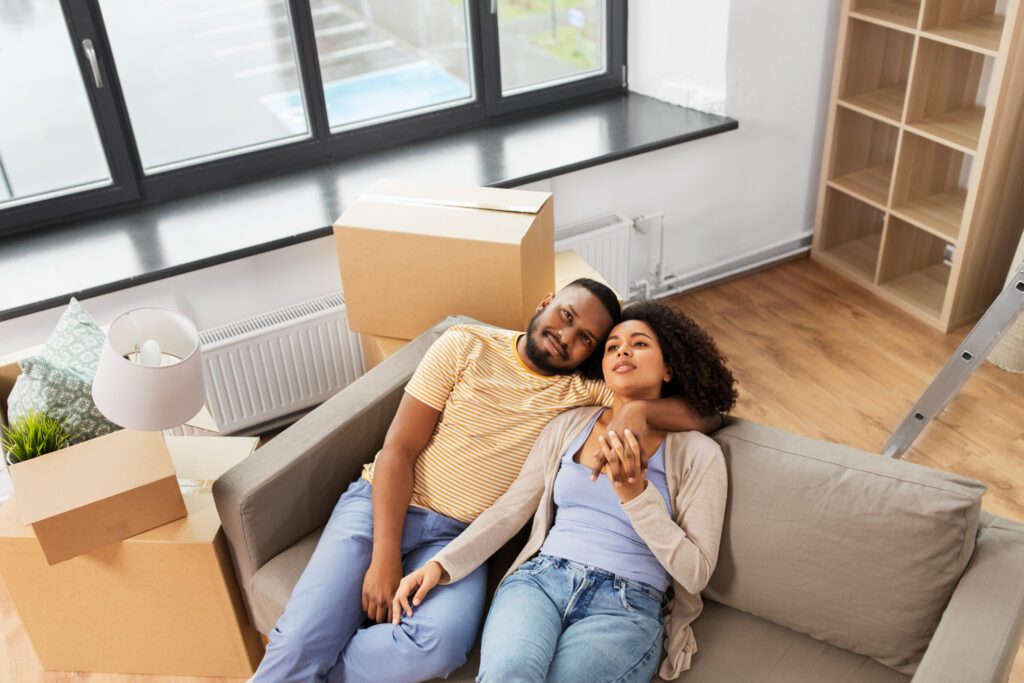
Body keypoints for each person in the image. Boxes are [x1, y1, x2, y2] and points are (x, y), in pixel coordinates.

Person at [252, 282, 721, 682]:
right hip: (383, 507)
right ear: (545, 301)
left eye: (585, 338)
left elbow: (707, 412)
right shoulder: (465, 344)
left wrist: (639, 410)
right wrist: (384, 558)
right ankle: (307, 657)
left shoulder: (589, 391)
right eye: (565, 315)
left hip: (465, 537)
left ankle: (321, 665)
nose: (565, 337)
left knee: (438, 643)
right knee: (298, 642)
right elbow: (397, 451)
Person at [392, 302, 737, 682]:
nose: (622, 351)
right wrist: (441, 564)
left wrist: (637, 496)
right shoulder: (568, 425)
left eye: (639, 344)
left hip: (627, 604)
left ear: (669, 367)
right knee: (509, 674)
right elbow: (511, 509)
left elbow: (696, 572)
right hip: (540, 581)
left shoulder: (699, 454)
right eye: (612, 347)